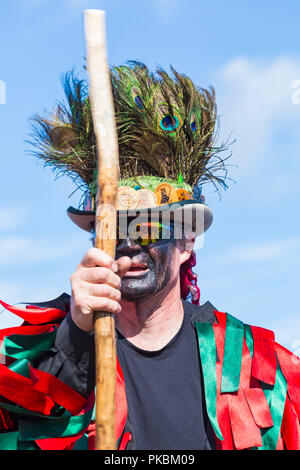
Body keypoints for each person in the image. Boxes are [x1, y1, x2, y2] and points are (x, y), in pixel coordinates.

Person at [0, 62, 299, 451]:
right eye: (113, 227)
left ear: (187, 242)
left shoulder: (260, 368)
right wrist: (74, 337)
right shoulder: (50, 353)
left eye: (149, 227)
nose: (129, 243)